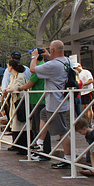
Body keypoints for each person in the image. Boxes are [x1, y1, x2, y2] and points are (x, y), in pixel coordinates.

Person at [30, 40, 73, 169]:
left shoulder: (52, 66)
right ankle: (40, 142)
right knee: (44, 114)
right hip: (62, 99)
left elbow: (33, 69)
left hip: (56, 102)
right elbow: (56, 62)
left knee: (62, 132)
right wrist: (49, 56)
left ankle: (68, 158)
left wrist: (34, 57)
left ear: (53, 50)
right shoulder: (67, 61)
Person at [2, 59, 28, 153]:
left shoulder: (21, 76)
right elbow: (10, 86)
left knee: (20, 123)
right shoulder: (13, 76)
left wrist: (8, 90)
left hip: (19, 101)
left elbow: (18, 86)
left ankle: (22, 146)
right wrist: (6, 90)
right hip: (13, 102)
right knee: (14, 123)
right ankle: (16, 144)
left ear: (11, 66)